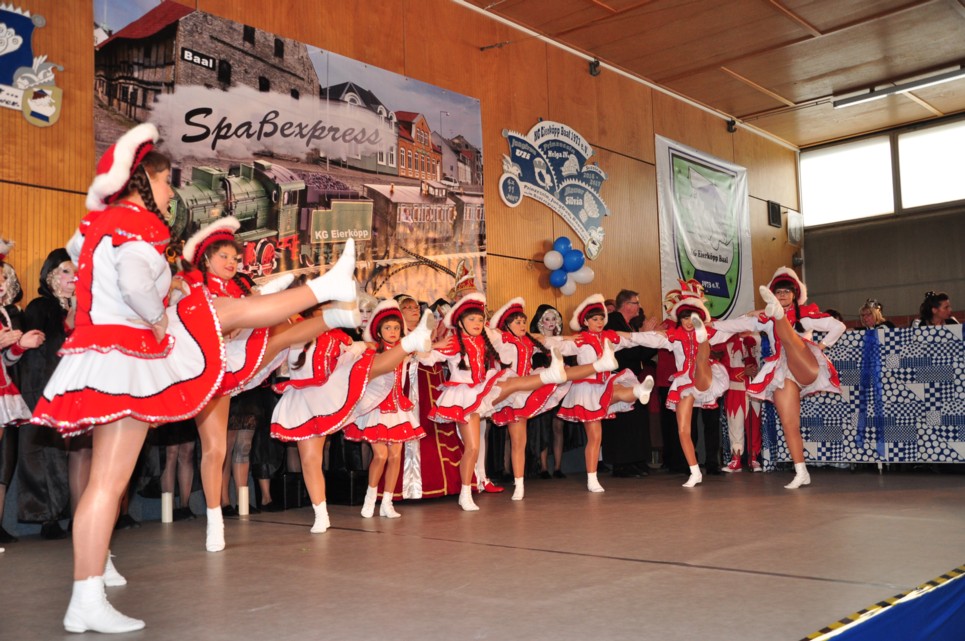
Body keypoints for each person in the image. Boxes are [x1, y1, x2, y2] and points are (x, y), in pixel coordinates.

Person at [29, 123, 362, 634]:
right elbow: (134, 283)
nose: (170, 193)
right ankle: (86, 597)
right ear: (142, 181)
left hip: (108, 354)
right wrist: (158, 316)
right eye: (165, 182)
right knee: (108, 481)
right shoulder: (135, 223)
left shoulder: (101, 225)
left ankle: (89, 589)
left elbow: (90, 272)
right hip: (126, 353)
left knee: (105, 481)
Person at [420, 293, 596, 509]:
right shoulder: (460, 342)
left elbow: (554, 341)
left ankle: (594, 366)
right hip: (463, 397)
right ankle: (465, 494)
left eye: (479, 319)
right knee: (473, 447)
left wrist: (577, 339)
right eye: (471, 319)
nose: (477, 323)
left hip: (484, 392)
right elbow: (424, 357)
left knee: (483, 443)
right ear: (460, 322)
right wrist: (433, 345)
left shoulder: (485, 341)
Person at [271, 302, 432, 532]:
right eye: (322, 311)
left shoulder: (339, 337)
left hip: (330, 393)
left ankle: (410, 342)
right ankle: (321, 513)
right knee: (310, 459)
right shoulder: (293, 331)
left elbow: (357, 352)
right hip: (303, 399)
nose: (328, 315)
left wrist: (365, 345)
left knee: (368, 367)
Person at [713, 267, 846, 489]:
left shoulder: (805, 316)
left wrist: (821, 346)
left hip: (804, 364)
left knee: (790, 339)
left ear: (794, 295)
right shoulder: (765, 319)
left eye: (786, 291)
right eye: (778, 292)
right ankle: (801, 472)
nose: (783, 294)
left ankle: (780, 317)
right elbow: (733, 325)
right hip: (782, 373)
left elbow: (838, 326)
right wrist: (708, 325)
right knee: (789, 423)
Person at [488, 298, 608, 500]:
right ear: (507, 325)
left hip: (524, 392)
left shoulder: (529, 341)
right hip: (506, 391)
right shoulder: (501, 339)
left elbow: (551, 341)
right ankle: (557, 372)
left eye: (524, 322)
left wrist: (571, 339)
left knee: (519, 441)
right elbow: (486, 332)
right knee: (513, 441)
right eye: (517, 322)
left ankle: (519, 484)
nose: (522, 326)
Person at [630, 281, 732, 487]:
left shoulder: (713, 329)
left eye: (693, 317)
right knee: (683, 430)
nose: (688, 321)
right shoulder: (673, 335)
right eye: (685, 317)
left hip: (705, 379)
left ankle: (712, 463)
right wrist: (615, 337)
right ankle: (694, 471)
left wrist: (762, 316)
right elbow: (645, 339)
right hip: (684, 383)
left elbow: (739, 325)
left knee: (701, 363)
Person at [555, 294, 655, 493]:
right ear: (585, 322)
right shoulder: (579, 340)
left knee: (619, 390)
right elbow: (553, 344)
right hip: (587, 390)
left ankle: (638, 390)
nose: (599, 322)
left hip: (605, 384)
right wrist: (565, 338)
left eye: (602, 318)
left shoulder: (608, 337)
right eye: (595, 319)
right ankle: (592, 479)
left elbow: (630, 341)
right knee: (595, 437)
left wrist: (654, 336)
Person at [343, 300, 426, 518]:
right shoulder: (370, 352)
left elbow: (428, 350)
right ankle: (370, 499)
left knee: (395, 456)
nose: (392, 332)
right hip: (375, 409)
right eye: (387, 328)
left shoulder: (404, 351)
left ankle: (387, 502)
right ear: (378, 332)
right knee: (380, 455)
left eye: (396, 328)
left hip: (397, 409)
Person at [0, 247, 46, 547]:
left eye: (3, 278)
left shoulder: (4, 313)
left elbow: (6, 359)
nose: (1, 283)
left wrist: (21, 346)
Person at [602, 289, 658, 479]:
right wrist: (647, 337)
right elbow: (631, 353)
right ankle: (621, 464)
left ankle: (636, 460)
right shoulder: (613, 322)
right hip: (618, 378)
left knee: (636, 419)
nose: (639, 306)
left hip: (632, 378)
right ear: (626, 305)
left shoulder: (629, 325)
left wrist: (647, 337)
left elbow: (639, 353)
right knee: (621, 422)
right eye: (636, 303)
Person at [720, 332, 762, 472]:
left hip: (754, 388)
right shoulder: (728, 344)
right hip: (735, 389)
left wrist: (756, 372)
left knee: (754, 424)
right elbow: (723, 370)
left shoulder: (758, 342)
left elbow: (765, 364)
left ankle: (754, 458)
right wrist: (743, 372)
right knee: (735, 424)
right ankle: (736, 459)